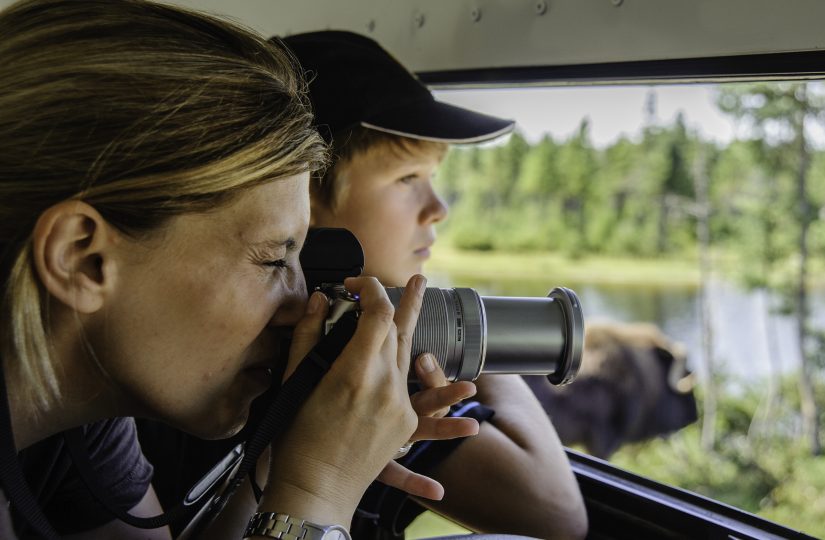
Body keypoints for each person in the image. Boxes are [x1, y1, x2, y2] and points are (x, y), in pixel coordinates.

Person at [0, 1, 477, 538]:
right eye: (274, 260)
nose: (301, 306)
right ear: (81, 259)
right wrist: (317, 493)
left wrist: (284, 451)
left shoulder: (81, 412)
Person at [282, 31, 589, 539]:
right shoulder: (355, 356)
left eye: (432, 177)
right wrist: (450, 320)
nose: (438, 208)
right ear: (303, 190)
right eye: (407, 179)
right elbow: (555, 513)